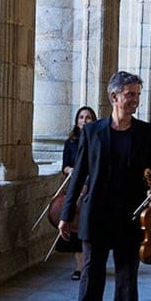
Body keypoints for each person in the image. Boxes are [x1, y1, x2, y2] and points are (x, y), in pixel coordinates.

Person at [59, 71, 151, 301]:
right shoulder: (92, 132)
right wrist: (67, 214)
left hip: (132, 214)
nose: (135, 100)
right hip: (97, 214)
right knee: (91, 278)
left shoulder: (145, 133)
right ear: (114, 96)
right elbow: (78, 175)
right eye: (130, 95)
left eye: (138, 95)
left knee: (127, 279)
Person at [57, 106, 97, 280]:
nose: (84, 120)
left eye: (88, 117)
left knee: (90, 229)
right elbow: (64, 166)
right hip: (75, 187)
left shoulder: (98, 140)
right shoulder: (71, 142)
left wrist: (88, 181)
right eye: (81, 117)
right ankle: (80, 267)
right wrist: (71, 170)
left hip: (93, 189)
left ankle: (90, 264)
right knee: (75, 227)